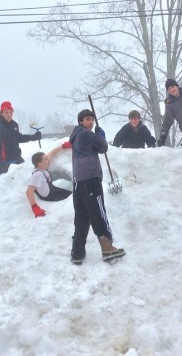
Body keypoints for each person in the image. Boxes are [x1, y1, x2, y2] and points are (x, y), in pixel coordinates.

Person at [68, 109, 125, 265]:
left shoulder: (76, 136)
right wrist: (101, 135)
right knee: (98, 212)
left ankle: (77, 252)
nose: (91, 122)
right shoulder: (85, 134)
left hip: (78, 180)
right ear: (81, 121)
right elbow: (103, 147)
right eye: (87, 119)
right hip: (90, 178)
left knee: (82, 215)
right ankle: (107, 247)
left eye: (92, 119)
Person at [0, 101, 41, 176]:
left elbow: (19, 137)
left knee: (28, 174)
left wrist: (34, 137)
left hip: (17, 158)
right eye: (6, 112)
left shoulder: (14, 125)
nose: (9, 115)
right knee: (3, 184)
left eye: (11, 112)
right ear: (1, 113)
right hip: (4, 162)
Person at [26, 142, 73, 218]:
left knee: (72, 195)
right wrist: (35, 207)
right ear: (39, 164)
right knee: (72, 198)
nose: (48, 160)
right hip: (50, 196)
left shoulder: (43, 166)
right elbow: (29, 191)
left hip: (53, 190)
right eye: (45, 159)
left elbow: (52, 153)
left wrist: (63, 146)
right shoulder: (38, 174)